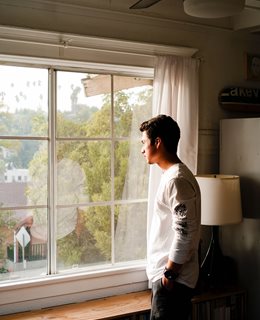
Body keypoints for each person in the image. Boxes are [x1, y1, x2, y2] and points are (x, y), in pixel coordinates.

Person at [140, 114, 201, 320]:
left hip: (173, 283)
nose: (142, 150)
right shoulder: (173, 175)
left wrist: (169, 275)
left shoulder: (177, 179)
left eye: (144, 143)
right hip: (171, 281)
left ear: (158, 142)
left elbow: (185, 233)